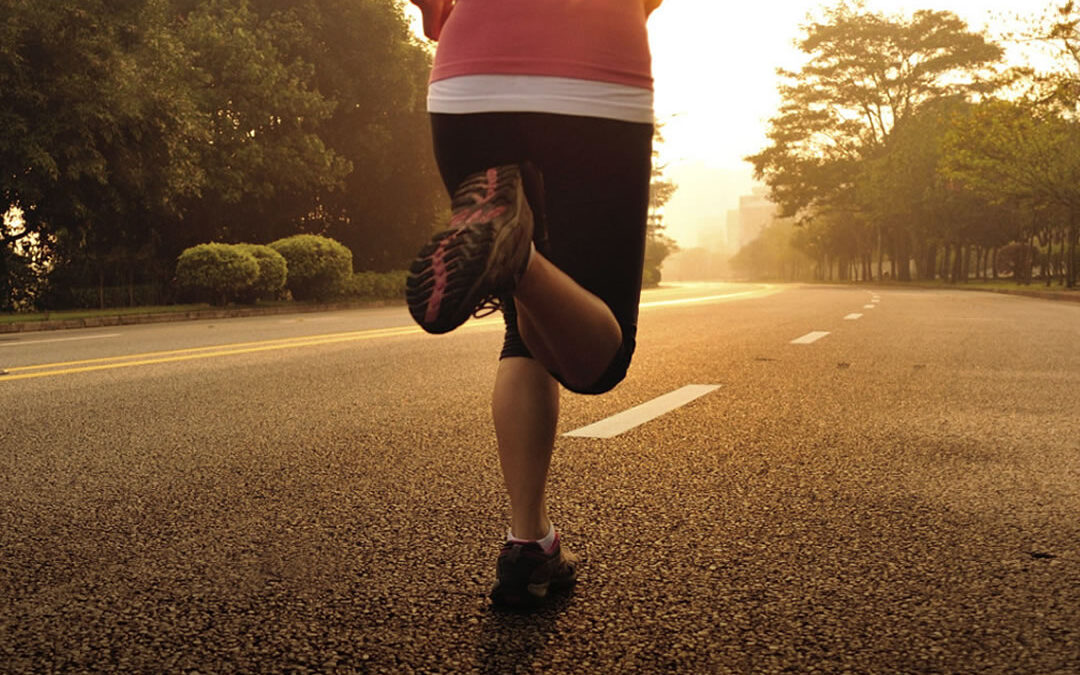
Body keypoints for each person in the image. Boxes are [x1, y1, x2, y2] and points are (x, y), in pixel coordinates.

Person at [406, 0, 663, 609]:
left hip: (469, 81)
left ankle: (532, 544)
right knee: (599, 360)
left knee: (527, 326)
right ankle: (514, 256)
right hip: (597, 73)